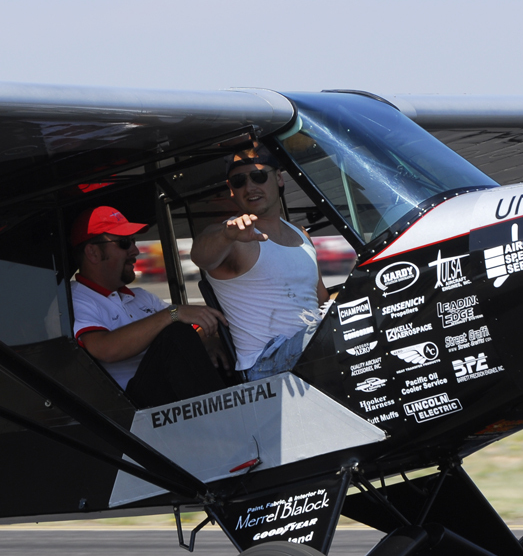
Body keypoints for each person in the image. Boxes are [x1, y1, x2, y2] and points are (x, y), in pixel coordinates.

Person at [190, 145, 329, 381]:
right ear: (231, 190)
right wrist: (227, 235)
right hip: (266, 364)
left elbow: (321, 298)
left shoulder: (301, 234)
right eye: (238, 181)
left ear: (278, 179)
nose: (250, 187)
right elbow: (201, 256)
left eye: (258, 176)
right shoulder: (230, 236)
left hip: (308, 350)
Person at [70, 205, 228, 408]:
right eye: (125, 243)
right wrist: (172, 314)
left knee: (223, 350)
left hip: (167, 398)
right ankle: (226, 420)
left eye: (134, 241)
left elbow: (192, 330)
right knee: (174, 333)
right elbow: (104, 349)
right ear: (93, 252)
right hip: (128, 410)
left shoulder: (141, 297)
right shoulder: (75, 298)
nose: (135, 250)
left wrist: (208, 342)